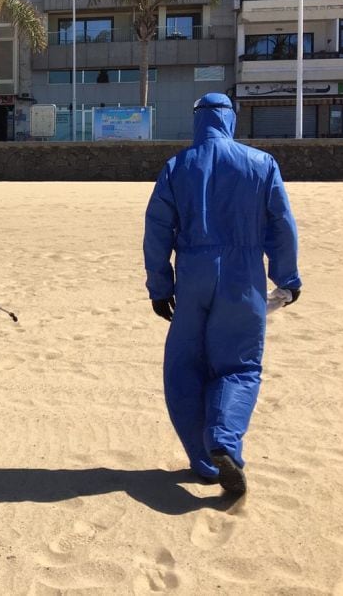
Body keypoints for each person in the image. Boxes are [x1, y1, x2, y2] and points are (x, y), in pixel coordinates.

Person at [144, 92, 301, 497]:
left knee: (184, 368)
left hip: (193, 275)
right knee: (239, 366)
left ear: (198, 120)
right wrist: (287, 278)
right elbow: (281, 225)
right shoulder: (261, 163)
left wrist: (160, 287)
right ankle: (224, 442)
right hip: (242, 274)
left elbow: (157, 230)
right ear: (231, 119)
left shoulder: (177, 166)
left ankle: (202, 460)